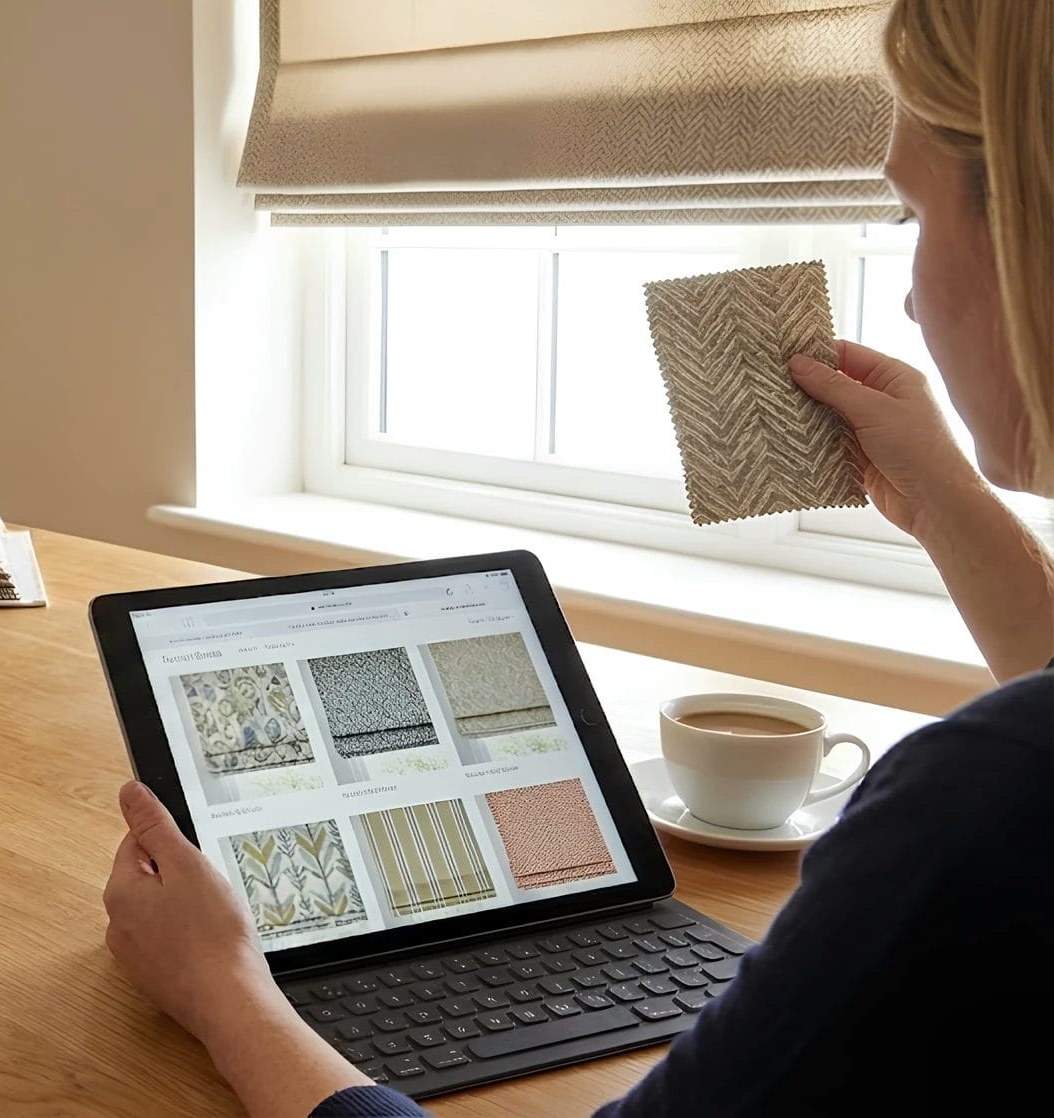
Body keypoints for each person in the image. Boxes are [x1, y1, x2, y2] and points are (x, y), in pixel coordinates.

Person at [101, 2, 1054, 1115]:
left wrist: (228, 994)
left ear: (1024, 238)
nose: (902, 288)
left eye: (906, 215)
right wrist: (942, 498)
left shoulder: (976, 801)